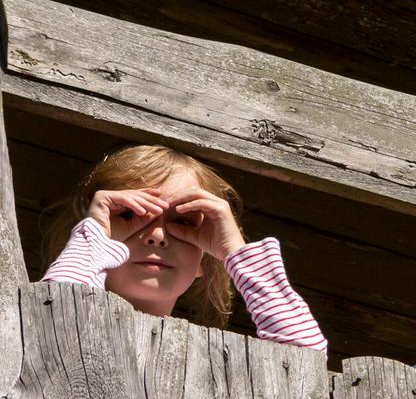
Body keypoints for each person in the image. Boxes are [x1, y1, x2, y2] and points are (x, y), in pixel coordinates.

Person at [41, 145, 327, 352]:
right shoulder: (60, 313)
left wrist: (233, 252)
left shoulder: (211, 356)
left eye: (184, 223)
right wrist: (94, 238)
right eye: (128, 215)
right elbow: (47, 319)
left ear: (206, 259)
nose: (156, 235)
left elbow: (305, 364)